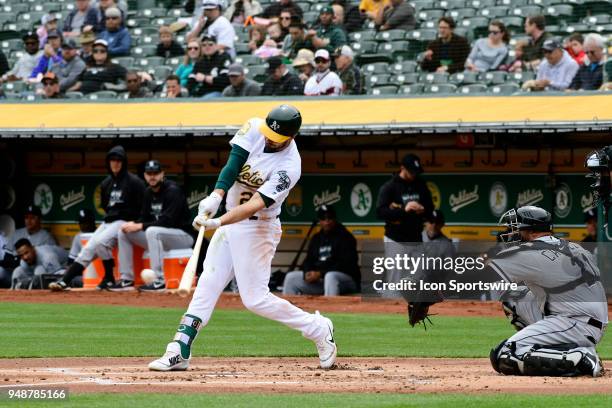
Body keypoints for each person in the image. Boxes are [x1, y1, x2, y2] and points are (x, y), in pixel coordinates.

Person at [148, 104, 337, 372]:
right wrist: (217, 195)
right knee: (207, 284)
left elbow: (256, 203)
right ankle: (179, 348)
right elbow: (233, 163)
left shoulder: (290, 166)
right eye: (269, 133)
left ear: (292, 137)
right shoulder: (254, 127)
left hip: (258, 228)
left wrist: (218, 221)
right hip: (230, 222)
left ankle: (318, 327)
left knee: (255, 299)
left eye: (277, 137)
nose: (270, 139)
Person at [489, 206, 606, 377]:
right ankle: (561, 347)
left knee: (505, 354)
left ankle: (580, 358)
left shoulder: (530, 252)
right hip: (584, 318)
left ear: (531, 230)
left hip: (575, 322)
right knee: (514, 298)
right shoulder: (570, 246)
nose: (512, 233)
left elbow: (483, 274)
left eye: (516, 228)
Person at [49, 146, 146, 291]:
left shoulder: (134, 181)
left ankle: (109, 277)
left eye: (119, 160)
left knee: (102, 242)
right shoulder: (106, 183)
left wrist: (137, 222)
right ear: (108, 162)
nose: (115, 163)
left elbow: (143, 203)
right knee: (87, 249)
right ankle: (64, 281)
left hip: (125, 221)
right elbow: (106, 206)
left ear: (124, 162)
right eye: (112, 160)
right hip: (109, 221)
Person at [114, 160, 194, 292]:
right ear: (145, 175)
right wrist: (133, 224)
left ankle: (159, 281)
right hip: (158, 238)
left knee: (152, 231)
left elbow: (168, 221)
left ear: (162, 174)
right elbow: (144, 219)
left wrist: (139, 225)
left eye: (156, 173)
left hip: (183, 237)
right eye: (149, 173)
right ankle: (126, 279)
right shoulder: (148, 193)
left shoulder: (173, 190)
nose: (152, 176)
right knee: (124, 232)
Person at [376, 154, 434, 295]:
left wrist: (423, 209)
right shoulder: (390, 187)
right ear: (402, 168)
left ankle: (413, 313)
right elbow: (380, 212)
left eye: (416, 171)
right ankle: (391, 312)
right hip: (396, 239)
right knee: (395, 282)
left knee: (418, 279)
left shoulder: (420, 185)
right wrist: (404, 210)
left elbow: (431, 209)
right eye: (411, 171)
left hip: (415, 238)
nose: (414, 174)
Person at [283, 205, 359, 296]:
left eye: (329, 218)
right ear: (319, 221)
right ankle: (289, 310)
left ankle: (330, 310)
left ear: (334, 219)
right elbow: (308, 260)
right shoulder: (317, 238)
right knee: (291, 278)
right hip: (321, 280)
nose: (326, 221)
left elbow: (346, 265)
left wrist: (321, 273)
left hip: (345, 280)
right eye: (323, 218)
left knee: (330, 276)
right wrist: (307, 272)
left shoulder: (345, 237)